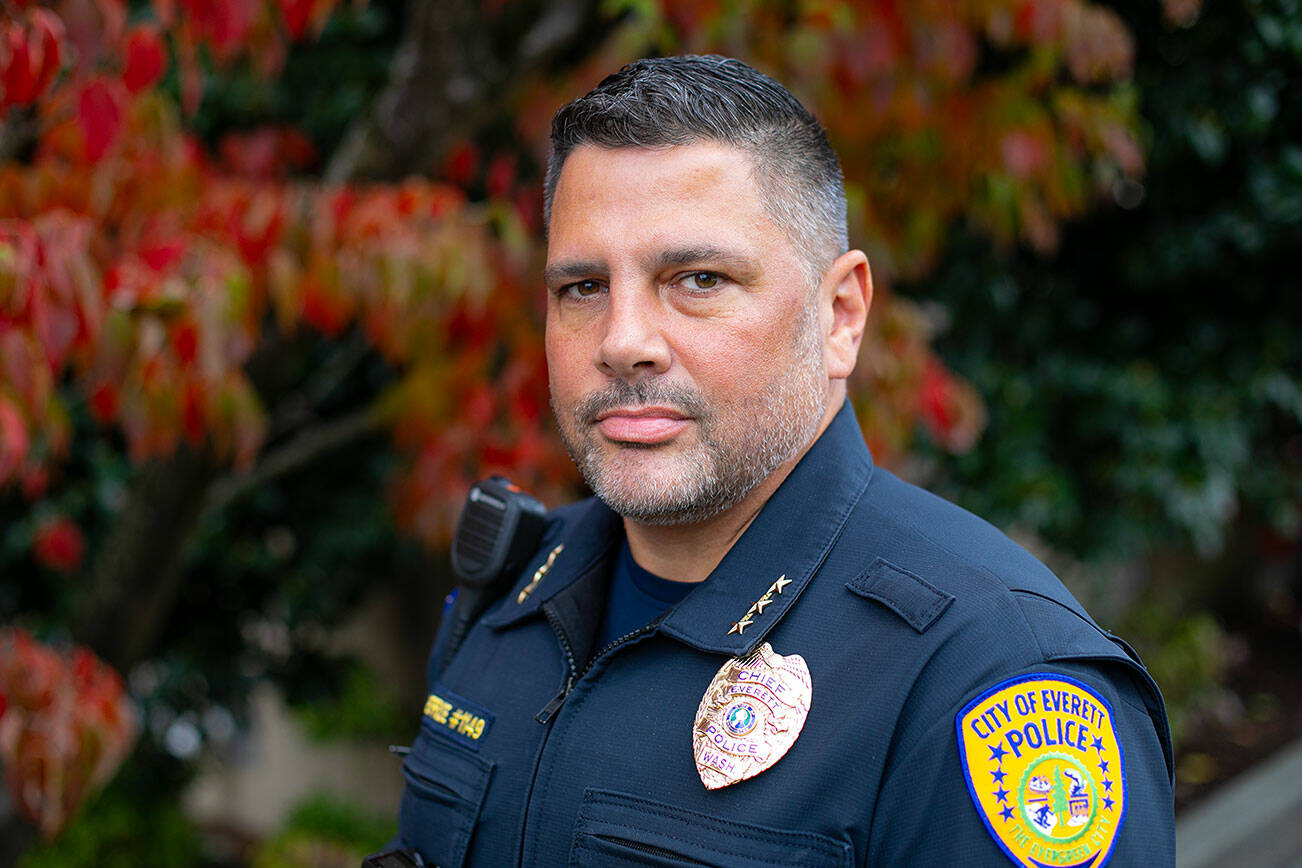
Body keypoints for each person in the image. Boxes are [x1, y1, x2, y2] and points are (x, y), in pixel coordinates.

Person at [394, 54, 1175, 867]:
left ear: (840, 317)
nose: (623, 342)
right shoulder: (515, 591)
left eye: (697, 278)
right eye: (583, 288)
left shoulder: (986, 676)